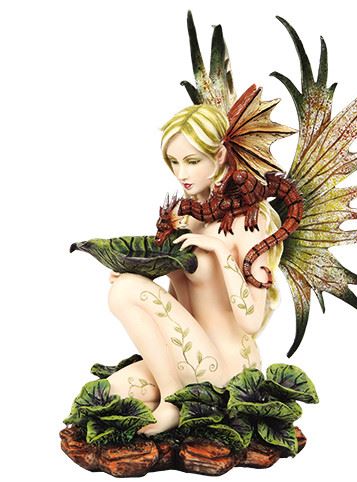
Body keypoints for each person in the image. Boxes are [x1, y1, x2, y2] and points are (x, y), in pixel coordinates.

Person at [106, 104, 283, 436]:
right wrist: (147, 275)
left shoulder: (248, 222)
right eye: (174, 162)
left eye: (192, 161)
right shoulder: (183, 217)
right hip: (188, 355)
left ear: (219, 156)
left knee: (124, 291)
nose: (181, 174)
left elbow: (251, 321)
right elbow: (180, 307)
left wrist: (222, 254)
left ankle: (173, 401)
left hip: (227, 368)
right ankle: (176, 396)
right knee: (112, 392)